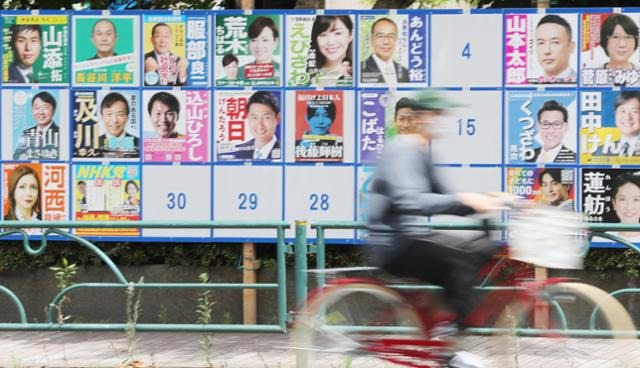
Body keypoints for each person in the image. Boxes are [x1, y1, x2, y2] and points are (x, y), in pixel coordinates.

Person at [367, 89, 506, 368]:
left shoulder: (423, 152)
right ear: (421, 118)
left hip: (408, 237)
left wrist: (489, 199)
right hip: (393, 243)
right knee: (458, 260)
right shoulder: (402, 149)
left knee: (476, 248)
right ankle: (447, 347)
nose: (442, 120)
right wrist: (464, 200)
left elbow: (446, 195)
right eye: (437, 114)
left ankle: (443, 335)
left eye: (443, 115)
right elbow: (411, 200)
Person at [232, 91, 281, 160]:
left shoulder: (285, 152)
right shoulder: (240, 152)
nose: (260, 125)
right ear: (248, 118)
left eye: (266, 117)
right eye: (254, 118)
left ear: (278, 118)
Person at [361, 17, 409, 84]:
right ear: (372, 40)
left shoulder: (405, 73)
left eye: (391, 36)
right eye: (380, 36)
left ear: (396, 40)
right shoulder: (359, 70)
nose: (386, 42)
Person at [13, 91, 60, 160]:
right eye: (36, 108)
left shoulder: (61, 134)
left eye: (45, 107)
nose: (40, 112)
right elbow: (16, 157)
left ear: (53, 110)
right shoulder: (27, 133)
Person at [308, 15, 354, 85]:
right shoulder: (306, 75)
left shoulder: (361, 74)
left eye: (338, 33)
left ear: (351, 35)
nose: (330, 42)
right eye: (323, 35)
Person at [595, 91, 640, 156]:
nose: (627, 117)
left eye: (634, 111)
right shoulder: (600, 151)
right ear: (615, 115)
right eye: (622, 111)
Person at [534, 14, 576, 82]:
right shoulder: (530, 83)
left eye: (555, 42)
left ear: (571, 47)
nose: (547, 51)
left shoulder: (580, 81)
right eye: (541, 43)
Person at [237, 16, 279, 81]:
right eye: (254, 40)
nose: (259, 46)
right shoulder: (239, 72)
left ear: (275, 42)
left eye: (265, 40)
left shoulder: (283, 71)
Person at [98, 92, 139, 157]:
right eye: (109, 114)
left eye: (120, 114)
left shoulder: (139, 144)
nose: (115, 120)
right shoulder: (92, 144)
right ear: (102, 117)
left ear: (127, 117)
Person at [609, 172, 640, 240]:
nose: (629, 207)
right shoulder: (602, 238)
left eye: (636, 200)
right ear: (614, 203)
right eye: (623, 199)